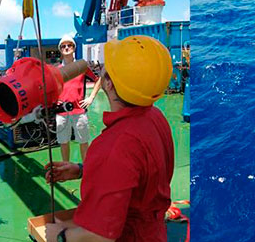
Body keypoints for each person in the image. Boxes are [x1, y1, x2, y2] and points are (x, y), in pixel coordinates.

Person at [44, 36, 174, 242]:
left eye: (106, 69)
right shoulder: (156, 118)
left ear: (109, 84)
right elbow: (137, 171)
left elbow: (100, 235)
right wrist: (82, 169)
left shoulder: (114, 145)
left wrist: (60, 236)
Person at [55, 35, 102, 162]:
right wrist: (54, 100)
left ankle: (86, 168)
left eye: (69, 45)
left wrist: (91, 98)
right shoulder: (57, 70)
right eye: (63, 46)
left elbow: (99, 80)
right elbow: (50, 88)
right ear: (60, 50)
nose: (66, 48)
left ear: (74, 48)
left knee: (83, 141)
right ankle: (66, 166)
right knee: (63, 142)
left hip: (79, 112)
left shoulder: (82, 66)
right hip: (61, 112)